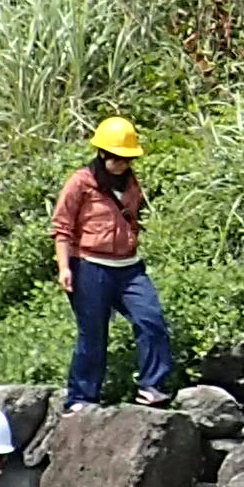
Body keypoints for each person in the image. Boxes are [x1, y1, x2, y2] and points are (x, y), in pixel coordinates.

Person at [53, 118, 174, 407]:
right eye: (117, 158)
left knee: (151, 320)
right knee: (92, 334)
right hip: (90, 266)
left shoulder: (131, 183)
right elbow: (62, 227)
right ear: (103, 154)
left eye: (127, 159)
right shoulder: (80, 182)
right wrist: (64, 267)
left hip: (129, 267)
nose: (122, 164)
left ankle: (151, 385)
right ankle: (81, 397)